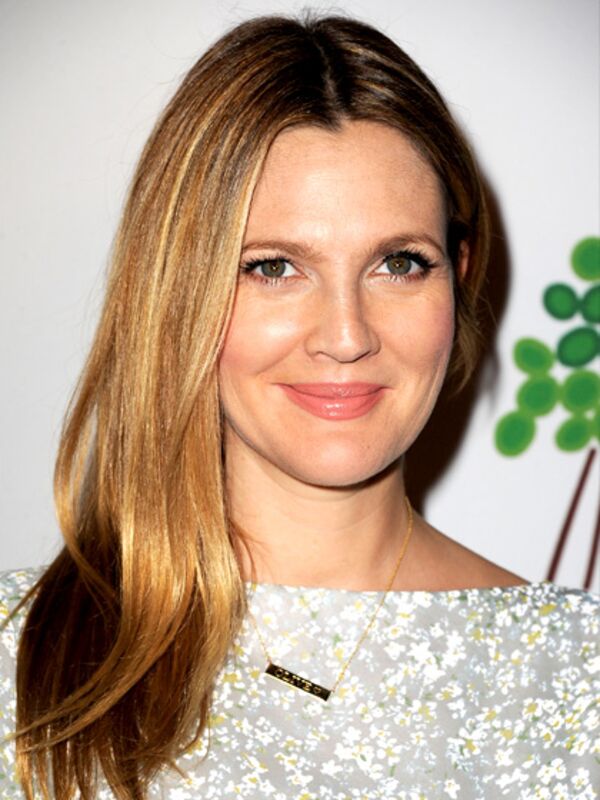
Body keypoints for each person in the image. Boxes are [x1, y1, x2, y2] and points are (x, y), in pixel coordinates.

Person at [1, 12, 598, 800]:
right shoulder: (16, 659)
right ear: (178, 290)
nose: (346, 336)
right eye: (274, 268)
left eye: (399, 263)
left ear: (458, 275)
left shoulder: (578, 671)